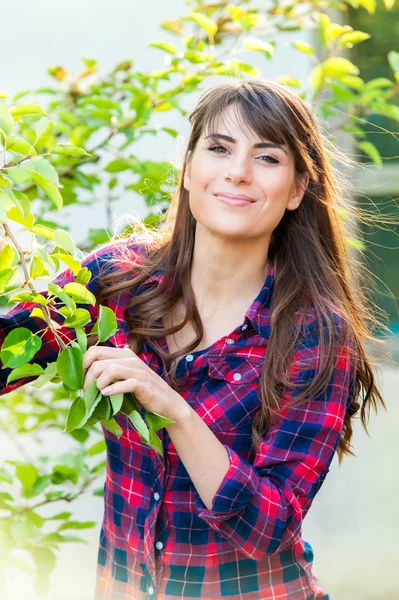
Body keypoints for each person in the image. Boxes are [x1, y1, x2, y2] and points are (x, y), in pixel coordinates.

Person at [0, 79, 386, 600]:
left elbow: (271, 527)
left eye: (267, 158)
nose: (237, 171)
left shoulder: (314, 331)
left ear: (297, 189)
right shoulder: (117, 280)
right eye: (219, 148)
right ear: (188, 168)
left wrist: (176, 412)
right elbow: (6, 356)